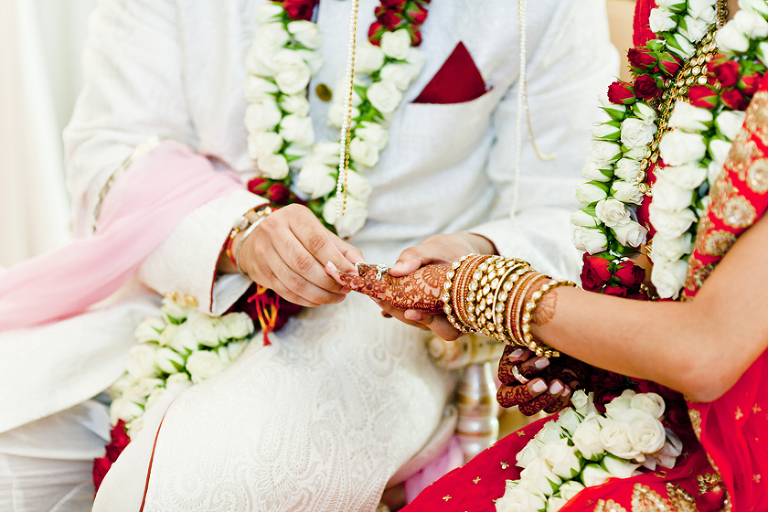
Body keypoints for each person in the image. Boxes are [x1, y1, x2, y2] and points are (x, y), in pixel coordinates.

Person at [0, 1, 618, 510]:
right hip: (179, 285)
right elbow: (108, 148)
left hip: (398, 333)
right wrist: (237, 231)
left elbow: (575, 207)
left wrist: (475, 259)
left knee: (209, 486)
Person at [327, 0, 768, 509]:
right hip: (652, 422)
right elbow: (652, 274)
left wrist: (487, 290)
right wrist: (580, 359)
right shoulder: (686, 19)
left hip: (738, 456)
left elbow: (706, 352)